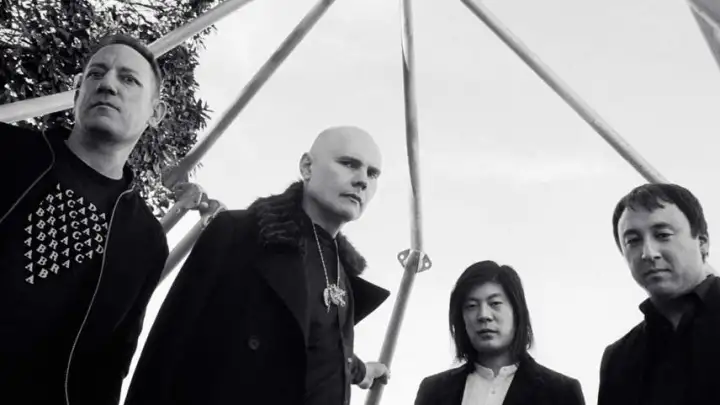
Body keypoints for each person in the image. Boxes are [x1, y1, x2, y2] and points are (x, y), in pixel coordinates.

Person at [126, 126, 391, 405]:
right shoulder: (238, 234)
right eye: (349, 164)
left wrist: (362, 371)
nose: (362, 181)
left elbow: (317, 349)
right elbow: (166, 351)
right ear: (307, 167)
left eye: (372, 173)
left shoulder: (342, 274)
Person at [0, 34, 169, 404]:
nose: (107, 84)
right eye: (95, 74)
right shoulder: (8, 150)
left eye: (129, 79)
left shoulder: (144, 240)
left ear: (156, 113)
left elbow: (110, 365)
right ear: (77, 93)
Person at [598, 183, 720, 405]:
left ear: (702, 242)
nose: (648, 253)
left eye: (663, 235)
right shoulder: (619, 359)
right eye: (633, 241)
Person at [415, 260, 585, 405]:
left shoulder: (560, 393)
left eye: (495, 303)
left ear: (517, 311)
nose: (484, 315)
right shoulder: (433, 391)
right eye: (471, 306)